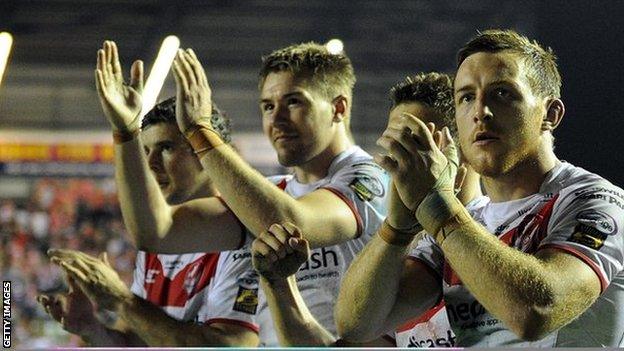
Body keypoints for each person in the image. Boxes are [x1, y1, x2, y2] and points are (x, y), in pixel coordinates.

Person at [336, 29, 624, 347]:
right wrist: (397, 228)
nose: (480, 112)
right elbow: (358, 326)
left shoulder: (595, 200)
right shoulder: (462, 222)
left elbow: (537, 311)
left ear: (550, 113)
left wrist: (438, 208)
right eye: (467, 97)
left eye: (502, 94)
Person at [158, 42, 388, 346]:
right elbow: (158, 231)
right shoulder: (274, 193)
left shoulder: (372, 178)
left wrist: (201, 133)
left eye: (293, 102)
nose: (276, 119)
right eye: (268, 106)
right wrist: (125, 135)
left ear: (338, 108)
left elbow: (292, 224)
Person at [41, 41, 259, 347]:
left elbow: (227, 347)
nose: (151, 163)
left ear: (207, 154)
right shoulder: (155, 243)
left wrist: (120, 300)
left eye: (166, 148)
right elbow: (135, 341)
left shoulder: (242, 235)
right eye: (145, 151)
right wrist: (92, 329)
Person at [252, 72, 485, 347]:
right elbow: (350, 340)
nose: (397, 160)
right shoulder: (405, 251)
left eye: (414, 143)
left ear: (463, 150)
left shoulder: (505, 232)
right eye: (393, 146)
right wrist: (279, 284)